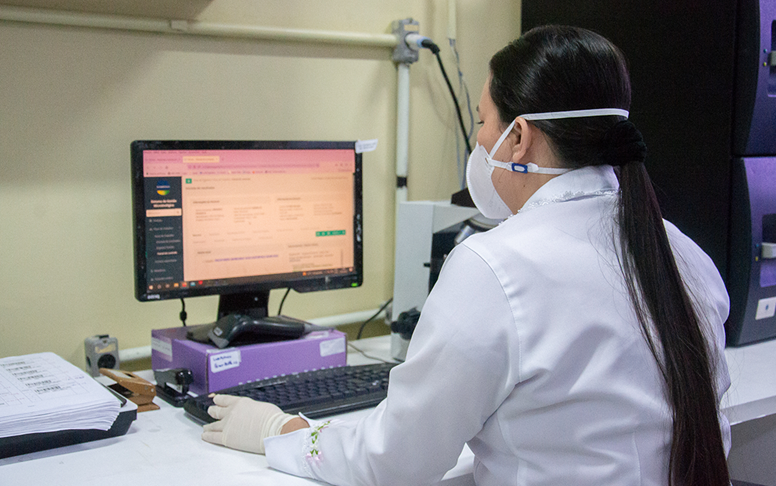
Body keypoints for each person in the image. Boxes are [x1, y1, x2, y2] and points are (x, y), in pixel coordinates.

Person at [201, 25, 732, 486]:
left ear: (518, 137)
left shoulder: (496, 268)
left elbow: (395, 462)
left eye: (482, 121)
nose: (479, 139)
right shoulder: (686, 255)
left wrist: (283, 430)